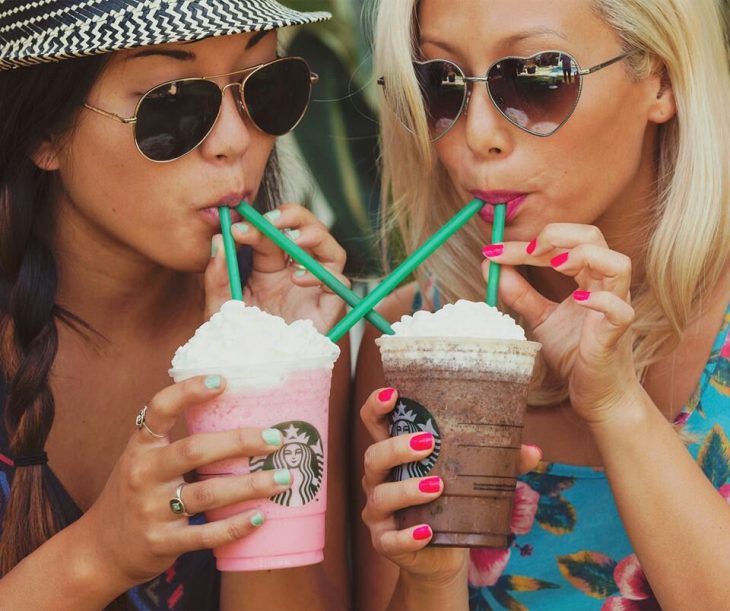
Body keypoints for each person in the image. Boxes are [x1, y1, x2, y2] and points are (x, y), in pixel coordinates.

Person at [354, 0, 730, 609]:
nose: (476, 135)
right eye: (441, 85)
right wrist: (430, 577)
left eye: (535, 78)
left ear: (660, 77)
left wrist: (616, 406)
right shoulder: (410, 343)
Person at [0, 1, 352, 609]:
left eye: (264, 86)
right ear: (42, 131)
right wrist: (96, 558)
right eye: (172, 103)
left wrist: (266, 386)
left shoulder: (298, 331)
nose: (235, 142)